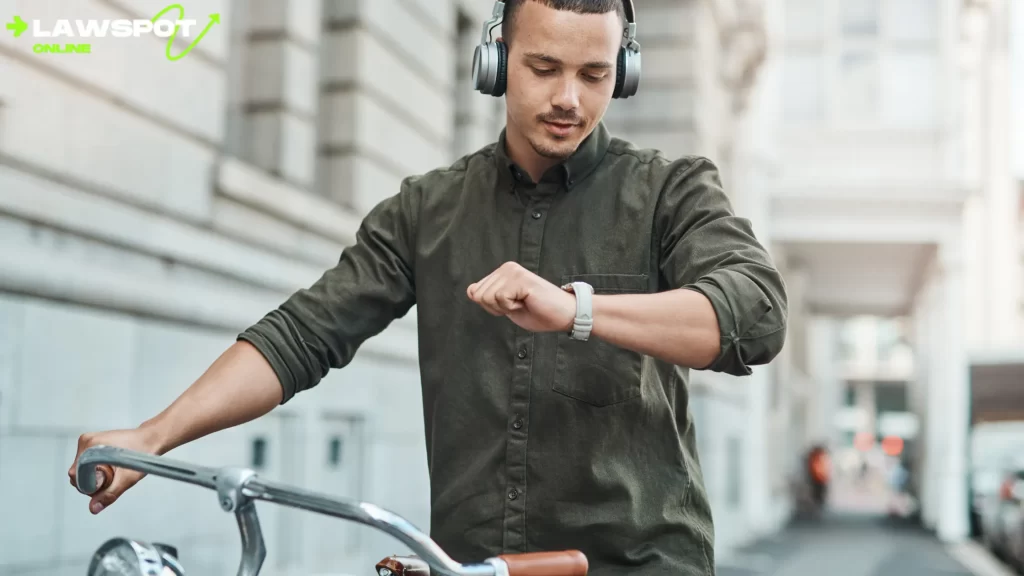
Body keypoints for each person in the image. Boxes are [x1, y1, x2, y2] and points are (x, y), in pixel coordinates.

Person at [67, 1, 788, 573]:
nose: (570, 97)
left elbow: (754, 313)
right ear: (495, 60)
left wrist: (577, 311)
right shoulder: (427, 209)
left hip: (638, 567)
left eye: (595, 75)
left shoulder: (671, 190)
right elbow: (302, 334)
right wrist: (154, 437)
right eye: (543, 67)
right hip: (470, 566)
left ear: (622, 73)